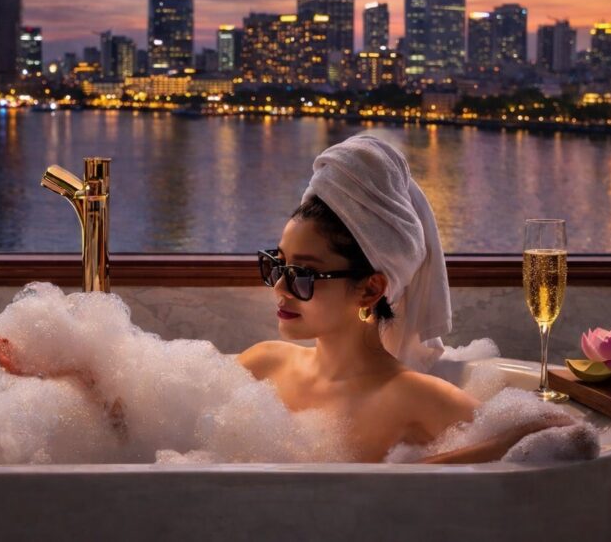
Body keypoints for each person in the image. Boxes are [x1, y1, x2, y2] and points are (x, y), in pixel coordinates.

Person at [237, 133, 570, 462]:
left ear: (370, 289)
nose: (279, 287)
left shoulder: (416, 397)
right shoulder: (264, 364)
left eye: (303, 274)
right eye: (277, 265)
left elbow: (567, 435)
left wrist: (412, 474)